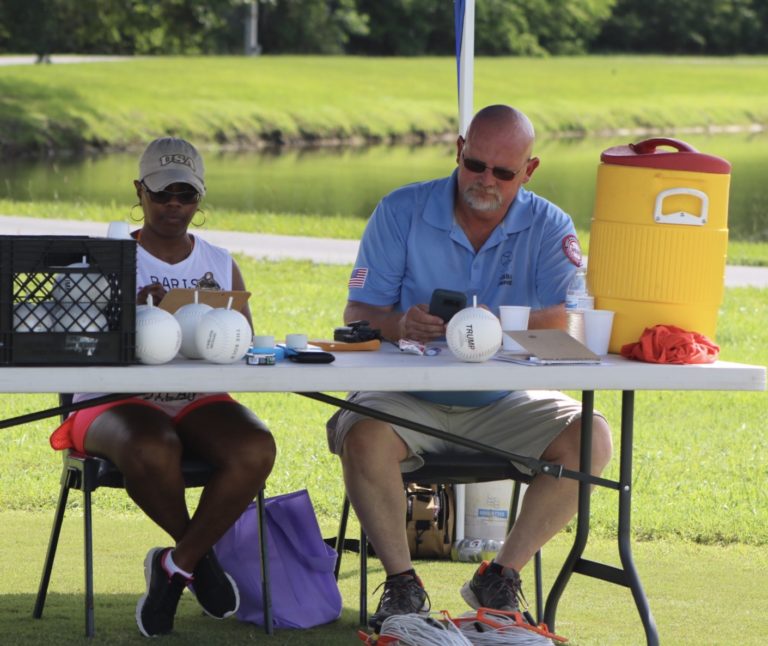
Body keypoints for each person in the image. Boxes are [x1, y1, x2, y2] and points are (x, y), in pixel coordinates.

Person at [326, 105, 613, 631]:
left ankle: (499, 575)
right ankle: (402, 585)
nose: (486, 181)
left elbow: (574, 318)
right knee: (362, 434)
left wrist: (493, 330)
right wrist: (399, 324)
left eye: (504, 173)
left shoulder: (550, 225)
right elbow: (358, 314)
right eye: (476, 165)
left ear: (529, 171)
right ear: (459, 151)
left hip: (507, 398)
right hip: (406, 396)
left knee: (593, 438)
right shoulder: (401, 210)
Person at [50, 137, 276, 638]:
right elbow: (69, 339)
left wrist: (215, 327)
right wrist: (129, 314)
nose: (174, 204)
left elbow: (242, 343)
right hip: (112, 401)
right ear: (139, 191)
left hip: (196, 397)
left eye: (186, 194)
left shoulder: (218, 259)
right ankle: (202, 560)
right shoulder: (107, 257)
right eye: (161, 193)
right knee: (154, 445)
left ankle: (176, 566)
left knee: (255, 447)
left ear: (200, 196)